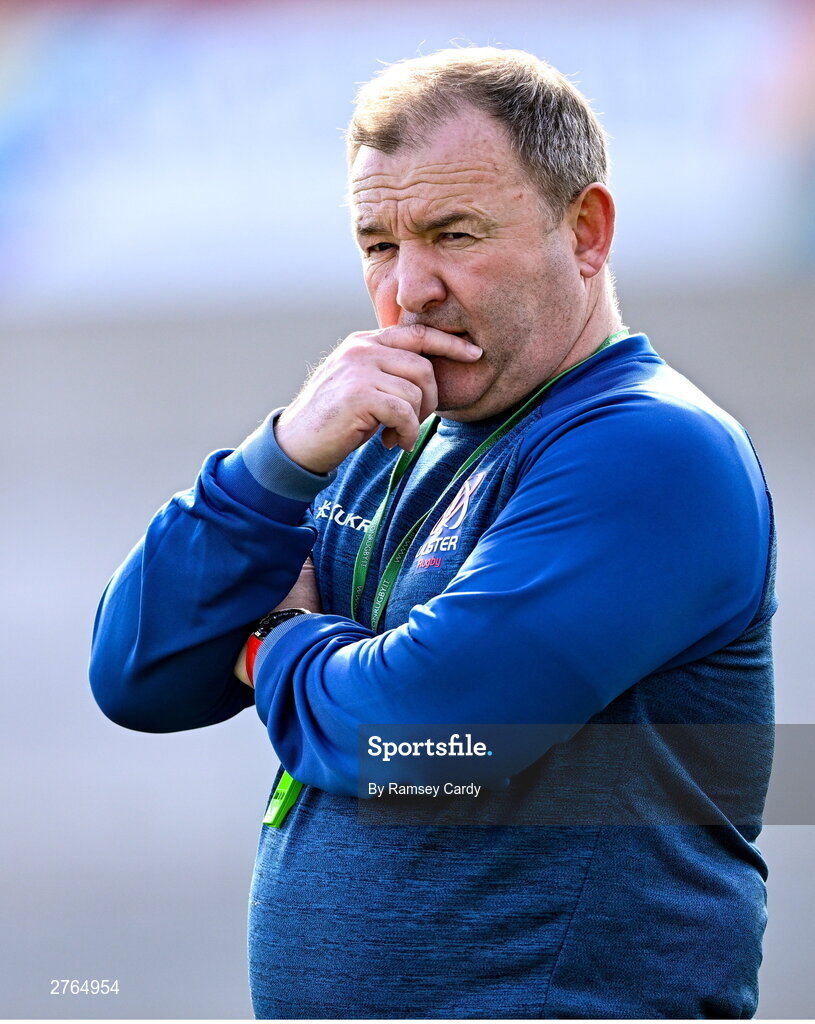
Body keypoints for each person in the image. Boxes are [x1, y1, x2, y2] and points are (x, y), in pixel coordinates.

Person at [90, 48, 776, 1019]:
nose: (408, 288)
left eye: (451, 233)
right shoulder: (382, 433)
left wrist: (275, 642)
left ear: (583, 231)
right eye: (378, 243)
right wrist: (279, 456)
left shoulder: (652, 449)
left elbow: (430, 737)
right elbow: (136, 674)